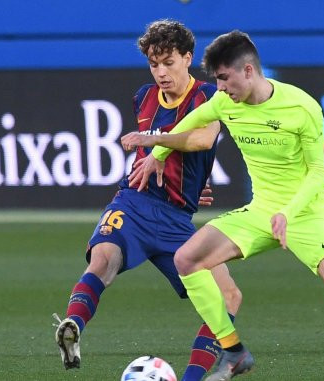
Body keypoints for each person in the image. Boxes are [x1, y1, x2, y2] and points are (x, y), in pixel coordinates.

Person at [131, 30, 324, 381]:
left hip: (307, 215)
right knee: (186, 259)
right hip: (262, 211)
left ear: (248, 71)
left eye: (224, 78)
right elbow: (190, 123)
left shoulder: (302, 107)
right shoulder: (223, 102)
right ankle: (233, 353)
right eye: (216, 80)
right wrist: (157, 152)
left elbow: (317, 174)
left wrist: (288, 214)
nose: (219, 88)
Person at [53, 20, 242, 381]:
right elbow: (156, 155)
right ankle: (72, 327)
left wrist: (153, 146)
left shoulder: (207, 96)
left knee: (228, 296)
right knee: (102, 260)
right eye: (154, 64)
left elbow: (202, 140)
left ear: (188, 58)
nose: (161, 72)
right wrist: (155, 154)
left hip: (176, 219)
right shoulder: (144, 96)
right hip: (135, 202)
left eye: (169, 62)